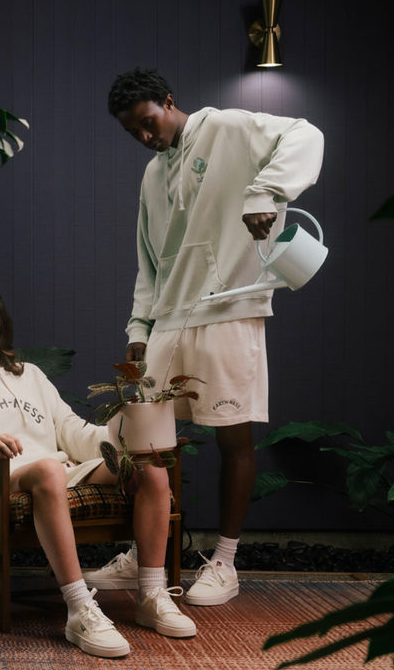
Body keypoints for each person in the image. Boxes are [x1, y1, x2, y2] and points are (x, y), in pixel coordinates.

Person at [87, 67, 325, 606]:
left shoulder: (226, 127)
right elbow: (149, 264)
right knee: (147, 445)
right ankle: (146, 555)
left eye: (149, 123)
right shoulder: (151, 176)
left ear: (170, 102)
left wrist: (267, 190)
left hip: (227, 309)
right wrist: (138, 327)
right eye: (134, 133)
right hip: (169, 318)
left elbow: (306, 133)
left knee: (232, 438)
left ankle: (225, 562)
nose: (146, 137)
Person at [0, 278, 196, 658]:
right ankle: (79, 608)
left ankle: (150, 594)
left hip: (57, 469)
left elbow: (70, 429)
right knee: (49, 469)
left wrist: (129, 432)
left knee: (149, 468)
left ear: (1, 321)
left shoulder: (28, 374)